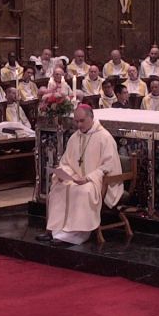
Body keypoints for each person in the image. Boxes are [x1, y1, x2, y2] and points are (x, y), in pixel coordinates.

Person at [41, 105, 123, 245]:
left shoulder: (105, 137)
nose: (78, 125)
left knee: (83, 191)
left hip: (96, 182)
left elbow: (109, 166)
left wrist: (87, 178)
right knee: (58, 188)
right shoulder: (74, 137)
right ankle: (55, 231)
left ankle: (75, 236)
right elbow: (66, 162)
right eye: (76, 121)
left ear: (91, 118)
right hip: (76, 179)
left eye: (82, 121)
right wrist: (65, 174)